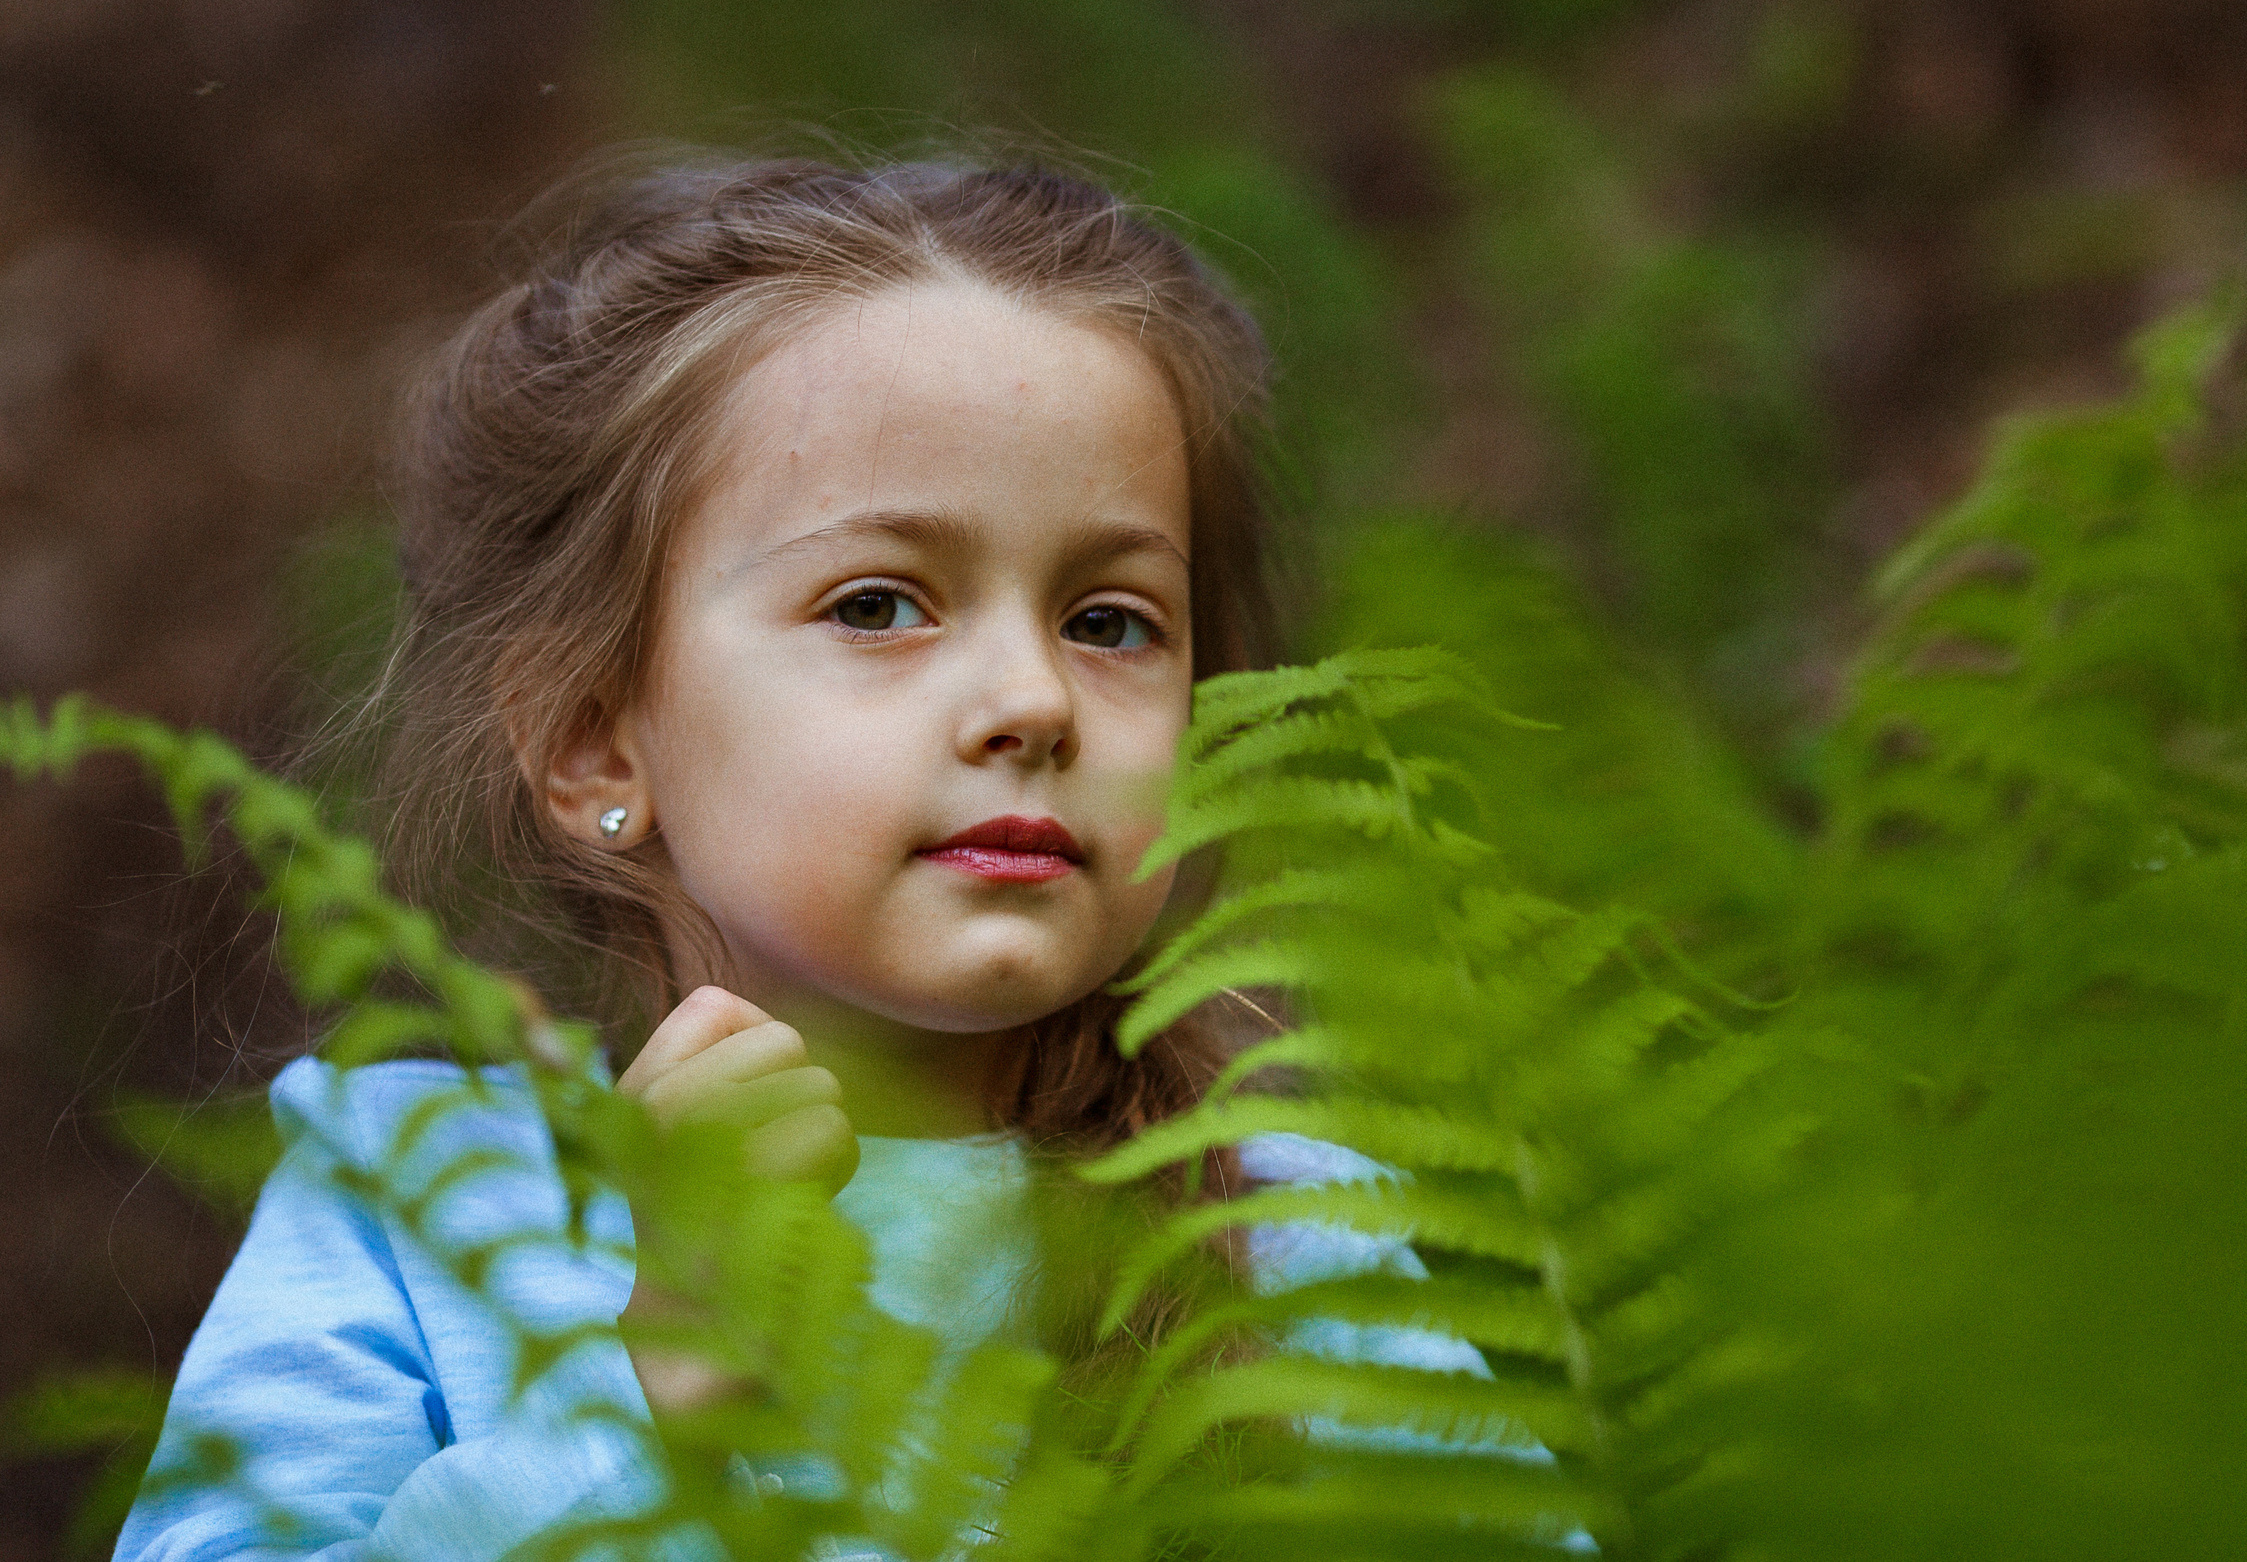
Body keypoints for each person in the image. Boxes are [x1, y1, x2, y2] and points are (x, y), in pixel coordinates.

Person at [112, 157, 1492, 1561]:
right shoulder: (419, 1218)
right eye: (880, 603)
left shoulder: (1304, 1259)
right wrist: (652, 1387)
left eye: (1112, 621)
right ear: (595, 740)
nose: (1033, 700)